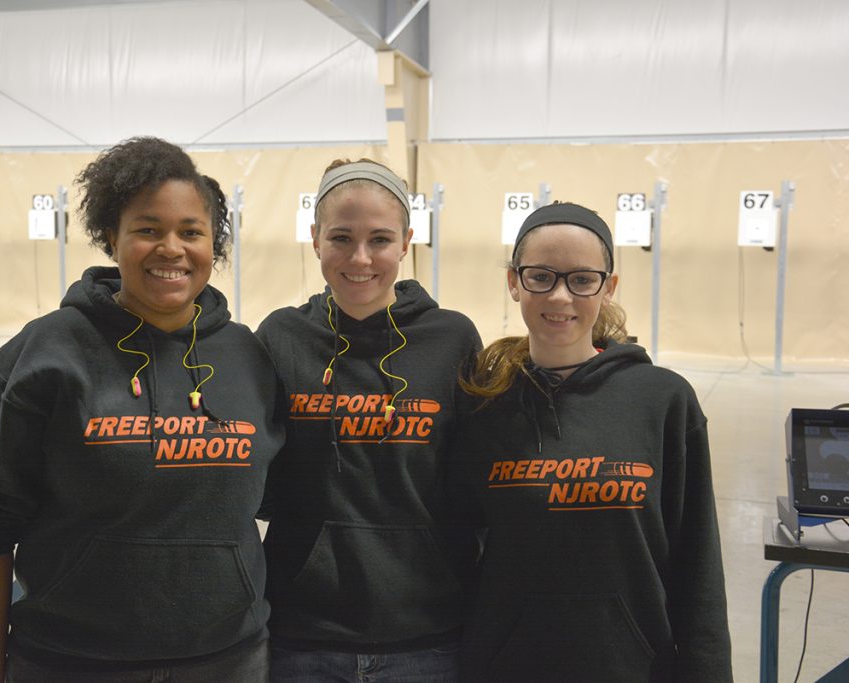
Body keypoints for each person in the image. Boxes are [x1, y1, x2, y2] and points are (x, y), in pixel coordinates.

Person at [0, 137, 283, 683]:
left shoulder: (250, 357)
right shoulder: (44, 355)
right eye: (148, 229)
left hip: (228, 660)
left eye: (191, 232)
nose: (170, 248)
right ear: (112, 237)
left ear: (213, 244)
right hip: (70, 663)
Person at [456, 202, 733, 682]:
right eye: (541, 276)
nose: (561, 296)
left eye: (582, 279)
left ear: (608, 287)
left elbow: (697, 563)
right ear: (513, 282)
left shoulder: (662, 399)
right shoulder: (485, 401)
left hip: (634, 667)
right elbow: (459, 547)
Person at [255, 159, 482, 682]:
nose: (360, 258)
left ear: (406, 241)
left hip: (426, 636)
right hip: (302, 634)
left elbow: (470, 483)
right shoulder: (281, 337)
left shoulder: (451, 338)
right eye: (341, 237)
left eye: (380, 239)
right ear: (314, 239)